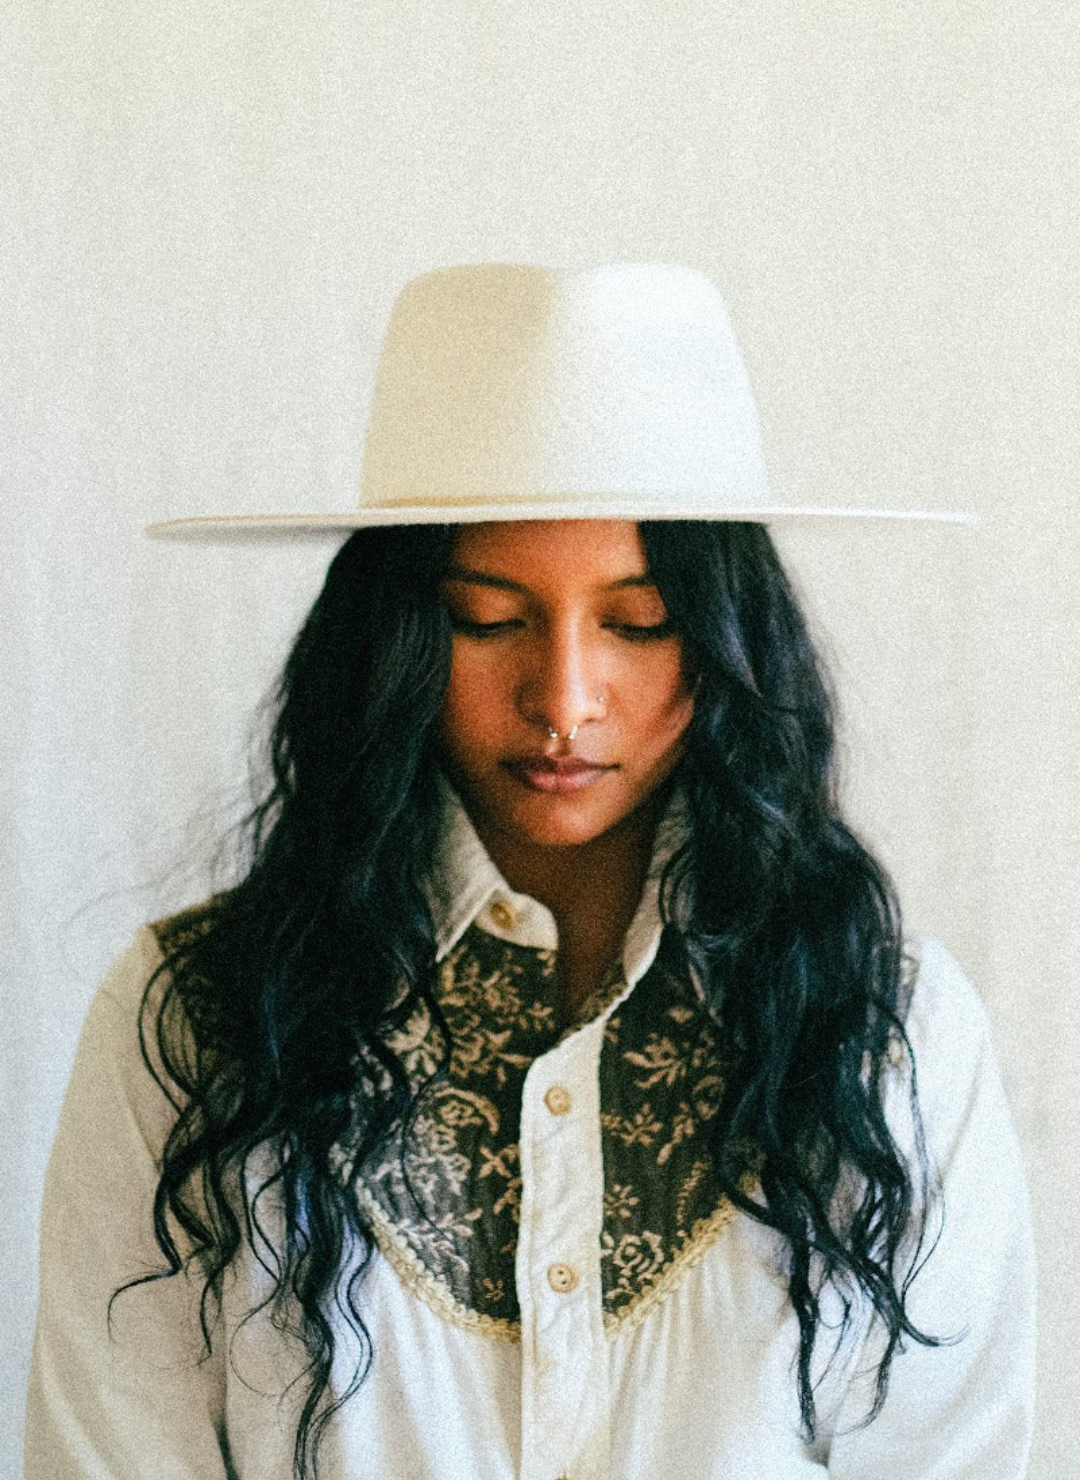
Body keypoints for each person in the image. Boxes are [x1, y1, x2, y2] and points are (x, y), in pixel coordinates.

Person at [26, 263, 1035, 1480]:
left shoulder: (889, 1032)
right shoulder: (194, 1020)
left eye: (639, 618)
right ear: (395, 635)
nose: (563, 698)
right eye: (489, 618)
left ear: (726, 637)